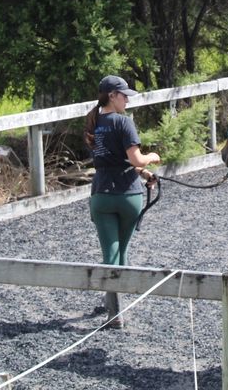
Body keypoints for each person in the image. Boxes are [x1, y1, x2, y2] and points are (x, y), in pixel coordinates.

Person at [85, 74, 160, 326]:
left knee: (110, 252)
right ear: (112, 96)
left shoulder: (93, 123)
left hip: (102, 194)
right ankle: (115, 311)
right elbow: (135, 159)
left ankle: (111, 304)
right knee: (122, 251)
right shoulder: (123, 122)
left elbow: (113, 161)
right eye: (123, 95)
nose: (127, 100)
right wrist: (151, 158)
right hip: (128, 196)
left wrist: (143, 173)